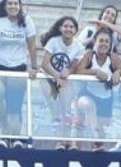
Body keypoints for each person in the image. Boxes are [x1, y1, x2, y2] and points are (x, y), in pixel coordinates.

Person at [0, 0, 38, 148]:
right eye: (10, 4)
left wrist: (33, 67)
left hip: (18, 68)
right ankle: (4, 136)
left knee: (14, 106)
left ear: (20, 6)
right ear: (5, 6)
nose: (13, 6)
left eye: (16, 3)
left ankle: (15, 138)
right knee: (1, 99)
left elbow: (32, 46)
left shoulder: (27, 21)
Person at [72, 29, 121, 151]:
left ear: (110, 45)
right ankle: (84, 146)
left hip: (106, 98)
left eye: (107, 41)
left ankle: (97, 148)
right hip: (87, 94)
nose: (104, 43)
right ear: (95, 42)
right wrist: (95, 71)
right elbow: (78, 71)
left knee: (102, 129)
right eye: (101, 40)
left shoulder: (113, 58)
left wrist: (118, 72)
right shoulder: (89, 55)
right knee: (89, 107)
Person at [40, 16, 83, 149]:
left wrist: (66, 74)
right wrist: (57, 76)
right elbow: (45, 64)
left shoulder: (78, 46)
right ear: (60, 28)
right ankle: (59, 141)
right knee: (55, 107)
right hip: (48, 79)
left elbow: (73, 66)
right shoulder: (53, 41)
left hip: (65, 81)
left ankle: (67, 140)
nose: (68, 29)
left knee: (66, 109)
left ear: (75, 30)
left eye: (71, 27)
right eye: (65, 26)